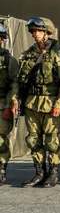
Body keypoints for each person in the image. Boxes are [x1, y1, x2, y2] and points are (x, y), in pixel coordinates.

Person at [18, 17, 60, 188]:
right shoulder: (28, 54)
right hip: (32, 103)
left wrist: (59, 104)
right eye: (33, 31)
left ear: (47, 32)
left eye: (38, 31)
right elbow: (20, 81)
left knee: (51, 140)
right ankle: (39, 172)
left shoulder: (58, 55)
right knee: (33, 140)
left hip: (50, 102)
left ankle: (53, 172)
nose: (35, 34)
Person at [0, 23, 19, 186]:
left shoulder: (9, 61)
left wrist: (8, 106)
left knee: (0, 139)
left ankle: (1, 170)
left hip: (2, 104)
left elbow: (14, 86)